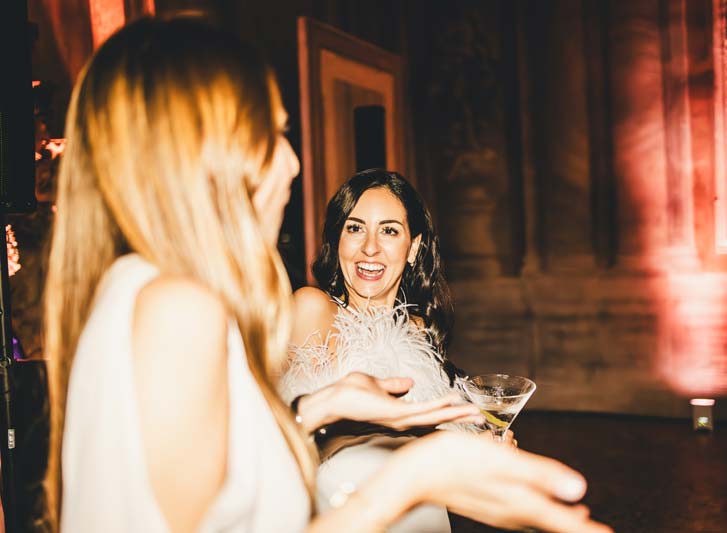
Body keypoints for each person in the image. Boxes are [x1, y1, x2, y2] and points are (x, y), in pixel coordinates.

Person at [44, 16, 611, 533]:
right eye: (271, 135)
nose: (291, 162)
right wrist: (412, 478)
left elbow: (219, 486)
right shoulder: (178, 308)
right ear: (205, 154)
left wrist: (324, 407)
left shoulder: (143, 290)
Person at [281, 170, 482, 531]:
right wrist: (363, 424)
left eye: (389, 230)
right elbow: (280, 448)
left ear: (414, 248)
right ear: (337, 240)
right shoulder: (312, 310)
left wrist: (481, 448)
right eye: (355, 228)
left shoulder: (418, 333)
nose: (370, 247)